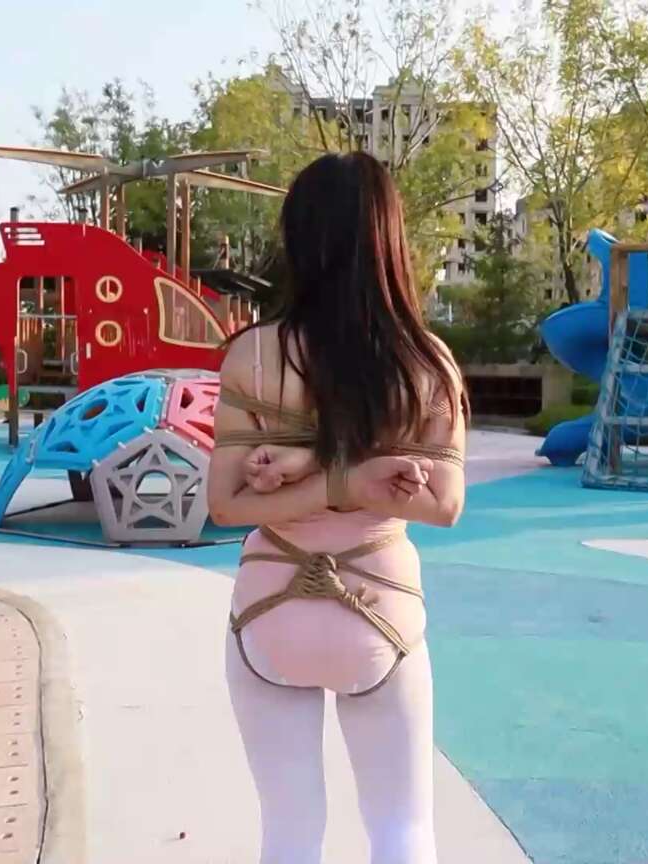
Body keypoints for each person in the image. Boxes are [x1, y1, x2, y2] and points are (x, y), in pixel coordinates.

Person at [207, 151, 468, 864]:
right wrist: (355, 481)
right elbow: (445, 505)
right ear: (390, 240)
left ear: (300, 238)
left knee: (289, 832)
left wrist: (312, 472)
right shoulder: (426, 363)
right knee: (403, 829)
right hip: (380, 607)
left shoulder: (252, 356)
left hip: (269, 611)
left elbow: (225, 505)